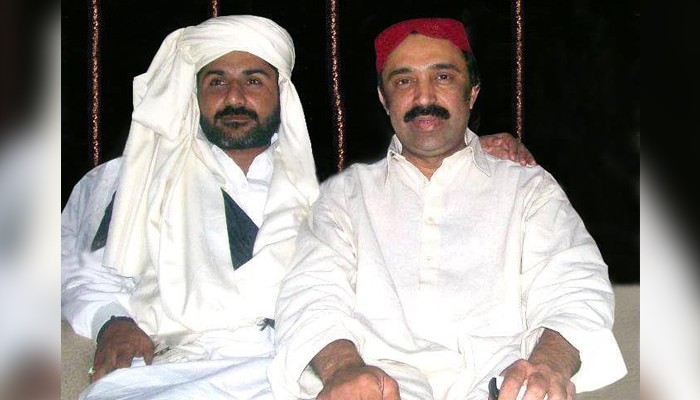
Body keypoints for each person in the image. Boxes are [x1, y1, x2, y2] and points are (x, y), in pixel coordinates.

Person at [61, 15, 533, 400]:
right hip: (177, 369)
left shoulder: (323, 184)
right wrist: (112, 320)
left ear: (280, 93)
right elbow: (78, 267)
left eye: (254, 81)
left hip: (300, 370)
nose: (235, 98)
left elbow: (422, 203)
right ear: (196, 94)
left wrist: (476, 149)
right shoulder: (135, 177)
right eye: (217, 82)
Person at [268, 18, 627, 400]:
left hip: (504, 383)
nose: (424, 97)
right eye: (404, 81)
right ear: (383, 99)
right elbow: (312, 292)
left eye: (442, 77)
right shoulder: (345, 196)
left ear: (471, 93)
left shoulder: (527, 188)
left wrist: (548, 364)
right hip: (377, 385)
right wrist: (343, 370)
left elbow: (573, 283)